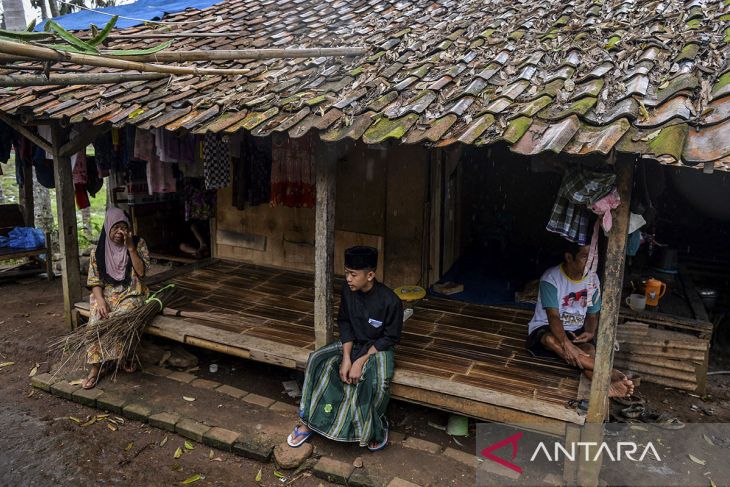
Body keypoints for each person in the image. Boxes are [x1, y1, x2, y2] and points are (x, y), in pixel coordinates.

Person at [287, 246, 403, 451]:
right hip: (352, 343)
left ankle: (375, 427)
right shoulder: (348, 291)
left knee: (378, 378)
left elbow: (390, 338)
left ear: (370, 275)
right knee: (317, 360)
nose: (348, 278)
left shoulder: (390, 301)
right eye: (347, 272)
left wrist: (361, 361)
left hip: (378, 349)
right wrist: (347, 358)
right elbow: (345, 322)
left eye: (353, 274)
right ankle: (308, 421)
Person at [526, 243, 634, 398]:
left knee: (589, 350)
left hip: (575, 332)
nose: (590, 262)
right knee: (550, 340)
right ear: (569, 257)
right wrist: (566, 343)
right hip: (546, 327)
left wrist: (590, 331)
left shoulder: (593, 279)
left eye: (593, 258)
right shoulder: (551, 278)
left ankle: (606, 388)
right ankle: (607, 372)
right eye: (585, 257)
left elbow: (592, 314)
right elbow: (553, 316)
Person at [82, 208, 150, 389]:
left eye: (124, 228)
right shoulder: (98, 251)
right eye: (116, 228)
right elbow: (94, 281)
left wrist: (131, 248)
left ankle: (124, 357)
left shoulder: (138, 243)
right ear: (107, 228)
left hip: (132, 292)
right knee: (95, 322)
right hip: (107, 295)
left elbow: (142, 273)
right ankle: (96, 368)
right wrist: (101, 301)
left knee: (120, 318)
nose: (121, 232)